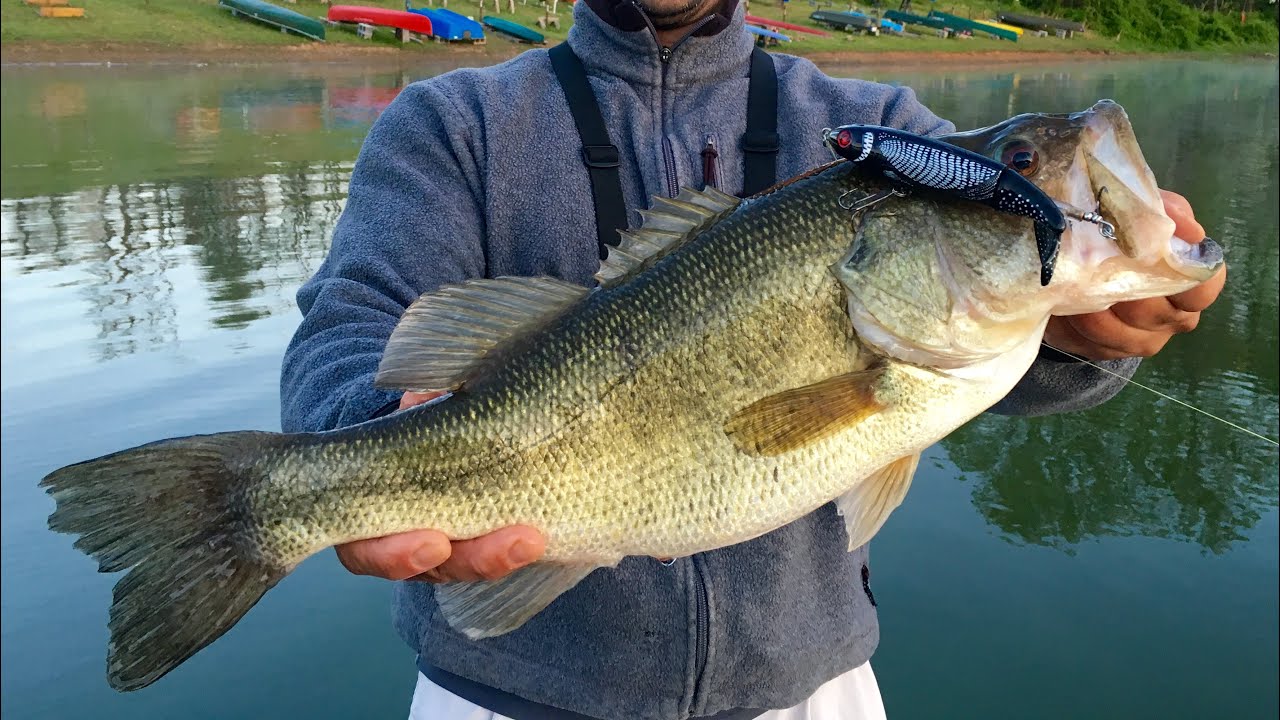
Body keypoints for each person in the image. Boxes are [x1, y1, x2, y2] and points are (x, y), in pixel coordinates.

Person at [280, 1, 1226, 718]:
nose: (1033, 171)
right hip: (503, 693)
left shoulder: (876, 129)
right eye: (1021, 160)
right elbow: (352, 322)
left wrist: (1080, 335)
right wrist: (359, 437)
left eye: (1022, 162)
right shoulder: (452, 122)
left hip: (806, 688)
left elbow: (1000, 334)